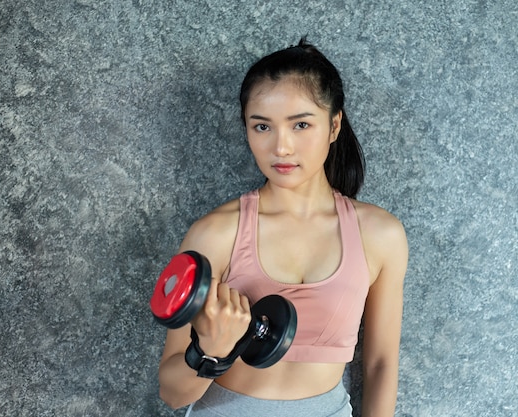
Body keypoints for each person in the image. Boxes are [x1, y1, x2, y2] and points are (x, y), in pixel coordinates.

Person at [157, 38, 408, 417]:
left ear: (334, 125)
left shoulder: (380, 235)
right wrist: (210, 350)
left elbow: (380, 364)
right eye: (262, 127)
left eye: (301, 124)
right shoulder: (215, 234)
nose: (282, 147)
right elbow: (172, 393)